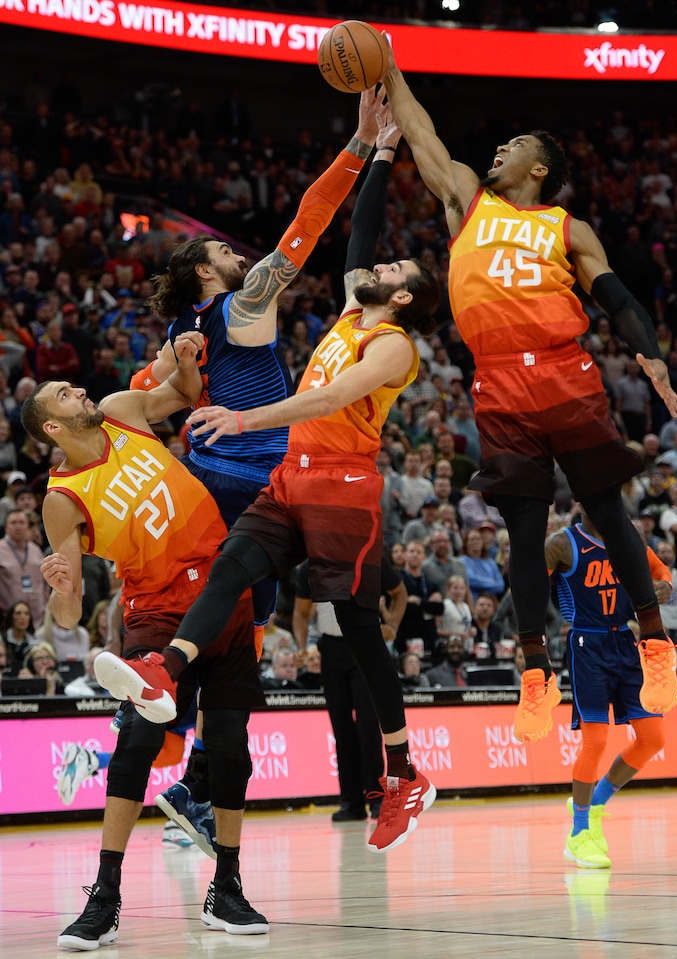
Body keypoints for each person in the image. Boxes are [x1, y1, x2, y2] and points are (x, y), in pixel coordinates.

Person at [90, 96, 441, 855]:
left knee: (231, 614)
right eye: (223, 249)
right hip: (258, 474)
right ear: (204, 271)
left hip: (251, 475)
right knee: (240, 626)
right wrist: (359, 148)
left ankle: (173, 716)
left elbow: (149, 397)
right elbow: (309, 227)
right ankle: (182, 735)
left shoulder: (186, 334)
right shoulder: (245, 305)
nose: (239, 254)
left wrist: (161, 394)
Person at [384, 50, 677, 743]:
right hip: (497, 380)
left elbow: (617, 298)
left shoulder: (567, 229)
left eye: (513, 145)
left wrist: (653, 357)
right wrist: (390, 71)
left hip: (564, 372)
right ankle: (535, 672)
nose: (499, 149)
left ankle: (654, 641)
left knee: (605, 508)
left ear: (539, 167)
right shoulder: (467, 200)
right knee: (523, 528)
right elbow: (422, 134)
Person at [20, 334, 270, 947]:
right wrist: (60, 589)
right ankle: (104, 895)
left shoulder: (120, 411)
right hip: (156, 608)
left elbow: (181, 394)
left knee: (229, 747)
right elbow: (69, 615)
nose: (80, 389)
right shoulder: (61, 499)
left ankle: (228, 887)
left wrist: (184, 362)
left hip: (223, 586)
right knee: (136, 738)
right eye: (65, 393)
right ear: (52, 426)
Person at [546, 509, 672, 868]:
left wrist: (667, 585)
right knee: (595, 742)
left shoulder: (627, 538)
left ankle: (596, 801)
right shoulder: (562, 543)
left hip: (626, 642)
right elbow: (527, 588)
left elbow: (661, 570)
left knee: (653, 739)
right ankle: (578, 833)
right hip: (587, 644)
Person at [292, 555, 407, 822]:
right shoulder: (310, 566)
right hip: (331, 649)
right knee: (341, 729)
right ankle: (351, 802)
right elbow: (300, 612)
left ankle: (376, 797)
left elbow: (400, 593)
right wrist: (301, 647)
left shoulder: (367, 556)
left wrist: (392, 625)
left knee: (369, 727)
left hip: (366, 644)